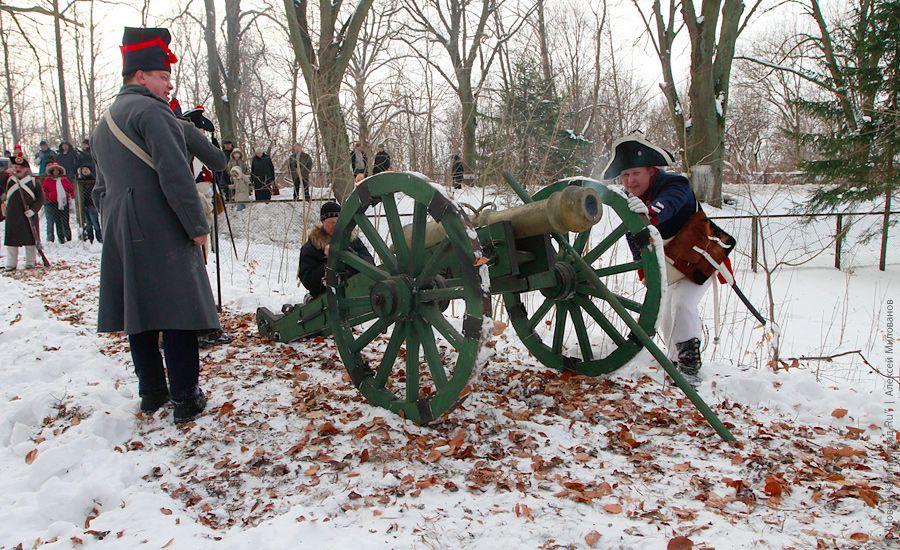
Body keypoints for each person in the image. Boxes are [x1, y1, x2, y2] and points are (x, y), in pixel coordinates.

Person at [91, 26, 218, 423]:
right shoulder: (152, 112)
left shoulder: (104, 121)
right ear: (141, 75)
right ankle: (185, 397)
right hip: (161, 224)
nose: (168, 84)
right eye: (163, 76)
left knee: (139, 310)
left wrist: (116, 222)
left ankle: (151, 393)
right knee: (178, 310)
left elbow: (99, 189)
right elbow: (175, 175)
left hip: (120, 226)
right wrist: (197, 226)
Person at [605, 131, 732, 388]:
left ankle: (689, 369)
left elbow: (669, 205)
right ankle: (676, 368)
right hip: (667, 266)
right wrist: (645, 269)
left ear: (651, 171)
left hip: (698, 258)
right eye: (626, 175)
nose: (630, 180)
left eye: (636, 173)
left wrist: (650, 213)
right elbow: (636, 239)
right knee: (664, 316)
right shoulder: (629, 199)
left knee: (683, 306)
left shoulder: (676, 184)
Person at [298, 201, 374, 300]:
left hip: (358, 289)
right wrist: (329, 263)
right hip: (328, 296)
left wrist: (352, 256)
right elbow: (308, 280)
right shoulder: (311, 247)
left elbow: (370, 262)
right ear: (322, 223)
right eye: (331, 223)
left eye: (338, 222)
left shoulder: (352, 240)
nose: (335, 226)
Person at [2, 152, 43, 270]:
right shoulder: (8, 180)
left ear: (26, 169)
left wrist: (33, 210)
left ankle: (30, 261)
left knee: (30, 239)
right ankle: (11, 263)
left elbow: (40, 199)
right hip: (13, 215)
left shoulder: (34, 182)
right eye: (15, 167)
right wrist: (5, 172)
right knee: (11, 241)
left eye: (20, 167)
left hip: (28, 215)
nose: (17, 169)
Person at [41, 162, 75, 243]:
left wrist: (71, 195)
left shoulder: (64, 180)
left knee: (65, 221)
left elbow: (71, 189)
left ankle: (68, 237)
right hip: (53, 203)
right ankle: (61, 238)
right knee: (57, 221)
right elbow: (44, 190)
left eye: (57, 170)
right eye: (54, 170)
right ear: (52, 171)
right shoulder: (47, 180)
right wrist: (48, 196)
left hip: (64, 202)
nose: (55, 172)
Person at [77, 165, 102, 243]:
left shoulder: (93, 179)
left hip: (91, 204)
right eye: (83, 169)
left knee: (95, 222)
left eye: (86, 169)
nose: (85, 170)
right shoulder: (80, 180)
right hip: (84, 204)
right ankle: (90, 238)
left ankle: (99, 238)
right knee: (88, 224)